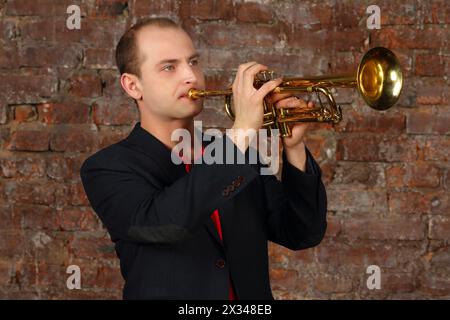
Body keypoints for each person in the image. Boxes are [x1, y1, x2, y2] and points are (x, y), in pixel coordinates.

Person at [80, 17, 327, 300]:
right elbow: (166, 224)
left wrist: (294, 148)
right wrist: (243, 130)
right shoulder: (106, 168)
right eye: (169, 67)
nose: (191, 76)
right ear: (133, 86)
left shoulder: (237, 151)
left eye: (194, 62)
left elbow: (302, 233)